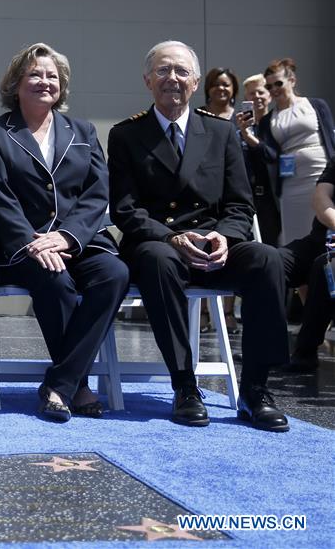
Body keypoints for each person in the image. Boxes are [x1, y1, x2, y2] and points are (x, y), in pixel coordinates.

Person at [108, 40, 290, 432]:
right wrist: (172, 238)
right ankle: (185, 386)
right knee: (158, 258)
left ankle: (256, 389)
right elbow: (125, 209)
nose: (171, 78)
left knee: (268, 259)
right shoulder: (126, 135)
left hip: (214, 247)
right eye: (162, 70)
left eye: (181, 72)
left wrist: (223, 237)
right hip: (158, 247)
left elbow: (241, 205)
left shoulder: (222, 133)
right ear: (147, 80)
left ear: (194, 83)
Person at [0, 43, 129, 422]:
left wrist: (67, 237)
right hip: (21, 244)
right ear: (16, 84)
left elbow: (97, 192)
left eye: (52, 75)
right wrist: (31, 241)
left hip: (78, 240)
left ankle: (60, 382)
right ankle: (76, 386)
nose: (45, 81)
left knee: (115, 274)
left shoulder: (82, 130)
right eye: (35, 74)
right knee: (55, 278)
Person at [253, 58, 335, 245]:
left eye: (278, 83)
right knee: (295, 233)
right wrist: (250, 136)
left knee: (325, 225)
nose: (274, 89)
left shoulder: (315, 105)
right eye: (269, 86)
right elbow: (270, 155)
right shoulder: (267, 120)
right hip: (291, 182)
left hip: (320, 174)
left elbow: (331, 140)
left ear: (292, 80)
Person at [279, 158, 335, 371]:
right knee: (271, 264)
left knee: (325, 265)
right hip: (320, 238)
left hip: (329, 256)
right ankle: (265, 349)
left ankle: (305, 352)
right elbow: (321, 199)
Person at [200, 68, 241, 334]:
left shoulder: (241, 118)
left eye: (226, 85)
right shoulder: (198, 116)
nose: (221, 89)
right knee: (204, 248)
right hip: (205, 191)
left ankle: (227, 313)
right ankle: (202, 312)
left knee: (232, 246)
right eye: (216, 85)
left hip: (235, 189)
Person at [235, 75, 279, 245]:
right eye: (251, 94)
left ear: (269, 95)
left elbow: (274, 157)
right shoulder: (239, 126)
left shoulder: (278, 124)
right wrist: (243, 132)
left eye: (261, 92)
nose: (257, 97)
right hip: (251, 197)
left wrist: (250, 138)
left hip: (274, 196)